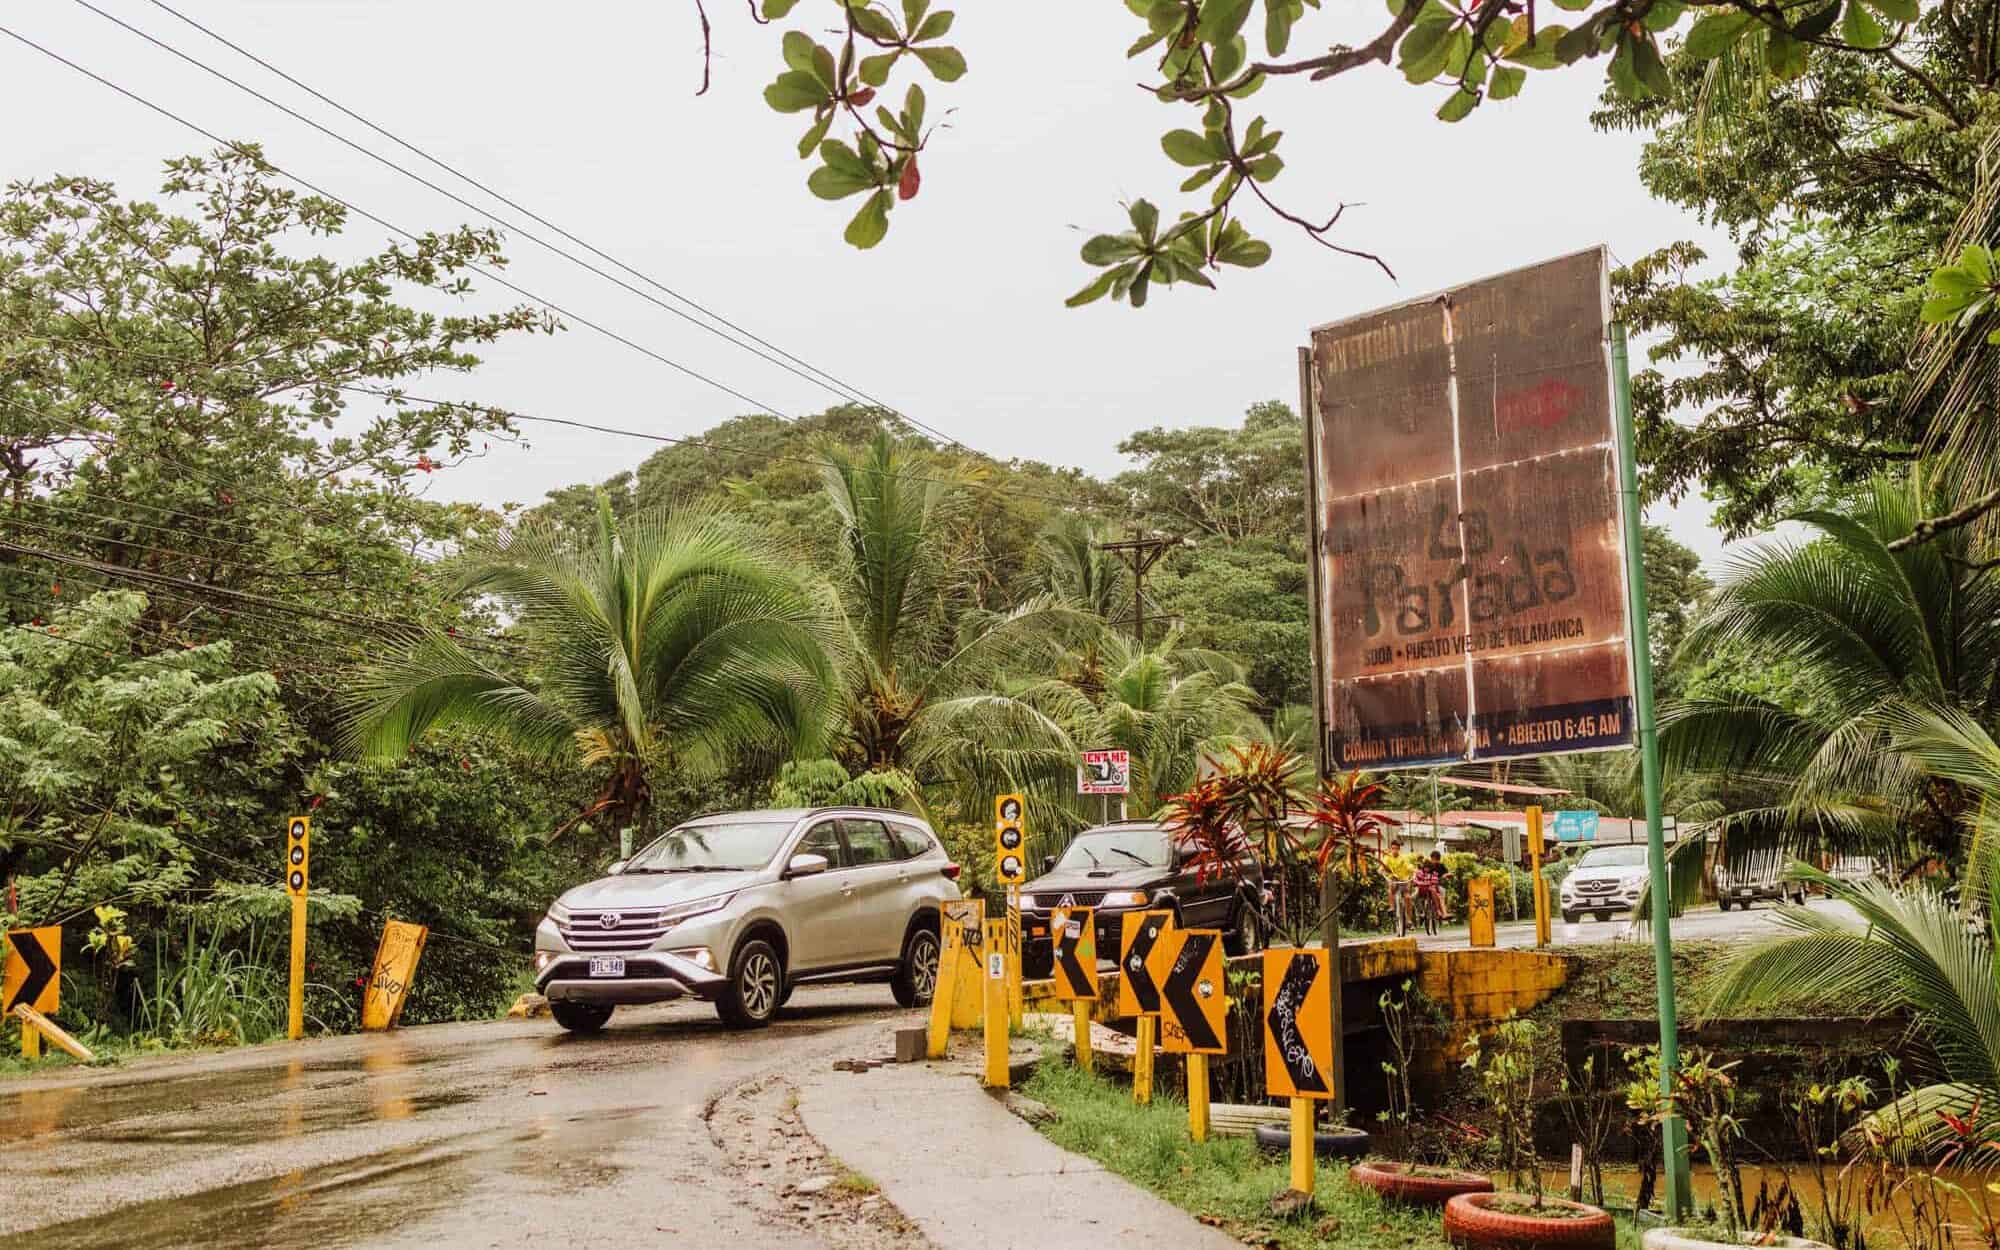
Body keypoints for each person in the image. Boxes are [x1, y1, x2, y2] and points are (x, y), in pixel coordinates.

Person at [1381, 838, 1416, 931]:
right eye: (1393, 848)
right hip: (1393, 879)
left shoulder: (1403, 858)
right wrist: (1381, 870)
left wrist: (1414, 870)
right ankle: (1392, 907)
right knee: (1391, 887)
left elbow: (1409, 866)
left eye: (1396, 848)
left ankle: (1409, 920)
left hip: (1404, 880)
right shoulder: (1387, 857)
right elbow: (1383, 866)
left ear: (1399, 849)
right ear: (1391, 848)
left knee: (1408, 897)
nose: (1394, 850)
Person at [1413, 849, 1451, 922]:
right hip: (1423, 888)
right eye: (1432, 859)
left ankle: (1443, 913)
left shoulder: (1438, 868)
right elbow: (1417, 874)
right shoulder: (1425, 868)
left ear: (1438, 860)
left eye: (1436, 859)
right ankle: (1421, 913)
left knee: (1440, 895)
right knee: (1413, 897)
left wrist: (1445, 875)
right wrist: (1416, 881)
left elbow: (1446, 874)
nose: (1434, 861)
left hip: (1436, 886)